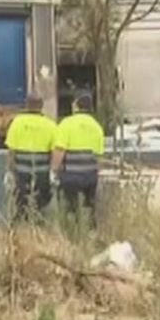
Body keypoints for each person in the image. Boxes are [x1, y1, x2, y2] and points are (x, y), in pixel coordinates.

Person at [52, 93, 105, 226]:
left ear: (76, 106)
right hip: (90, 176)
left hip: (71, 176)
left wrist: (53, 171)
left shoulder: (66, 124)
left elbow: (59, 150)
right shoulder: (97, 127)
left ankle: (71, 235)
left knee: (70, 209)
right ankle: (90, 234)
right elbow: (99, 157)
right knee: (89, 209)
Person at [3, 93, 56, 221]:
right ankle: (39, 230)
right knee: (41, 206)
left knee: (21, 206)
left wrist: (9, 171)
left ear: (26, 105)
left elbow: (11, 151)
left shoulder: (17, 123)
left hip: (21, 174)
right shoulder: (51, 125)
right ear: (42, 106)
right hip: (42, 174)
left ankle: (23, 232)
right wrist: (52, 172)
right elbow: (55, 152)